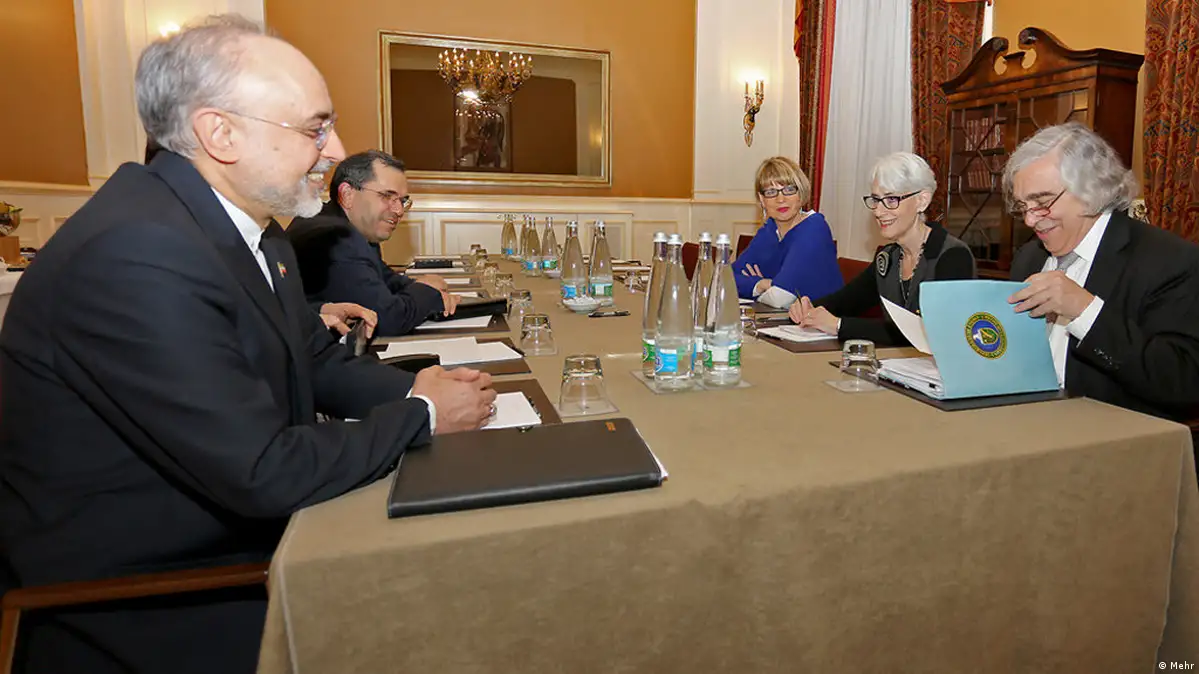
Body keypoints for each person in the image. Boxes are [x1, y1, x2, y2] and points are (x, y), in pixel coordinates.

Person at [0, 16, 496, 674]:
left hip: (245, 531)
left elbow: (314, 361)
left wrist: (422, 388)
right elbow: (262, 471)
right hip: (158, 595)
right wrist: (422, 415)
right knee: (467, 597)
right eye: (315, 128)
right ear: (220, 133)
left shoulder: (250, 233)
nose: (333, 149)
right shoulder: (138, 253)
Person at [1006, 121, 1199, 425]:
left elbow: (1183, 381)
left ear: (1092, 189)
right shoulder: (1029, 257)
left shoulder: (1170, 260)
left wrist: (1085, 311)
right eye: (1022, 206)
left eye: (1042, 203)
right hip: (1022, 425)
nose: (1030, 220)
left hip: (1112, 440)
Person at [788, 152, 976, 344]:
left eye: (891, 199)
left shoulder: (953, 255)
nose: (878, 211)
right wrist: (806, 307)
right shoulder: (888, 257)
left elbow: (931, 332)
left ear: (922, 200)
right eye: (876, 200)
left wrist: (839, 325)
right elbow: (846, 301)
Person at [287, 150, 460, 336]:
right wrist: (427, 291)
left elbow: (385, 278)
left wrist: (419, 285)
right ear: (347, 194)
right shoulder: (335, 238)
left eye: (402, 201)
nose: (399, 211)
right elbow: (388, 319)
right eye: (387, 196)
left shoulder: (349, 227)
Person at [732, 156, 843, 307]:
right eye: (771, 192)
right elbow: (726, 280)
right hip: (782, 319)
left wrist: (756, 289)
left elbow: (779, 298)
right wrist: (761, 284)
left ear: (800, 193)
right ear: (762, 199)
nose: (780, 199)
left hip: (823, 319)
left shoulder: (814, 227)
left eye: (789, 190)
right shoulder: (769, 230)